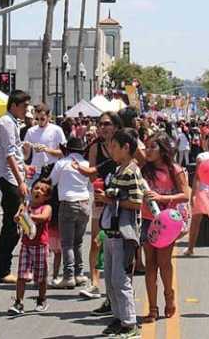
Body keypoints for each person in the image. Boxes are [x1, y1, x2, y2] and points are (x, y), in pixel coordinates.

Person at [97, 129, 143, 338]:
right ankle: (118, 317)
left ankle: (129, 322)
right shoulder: (118, 169)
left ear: (126, 148)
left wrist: (110, 200)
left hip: (124, 234)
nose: (111, 149)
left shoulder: (131, 171)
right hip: (111, 231)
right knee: (110, 279)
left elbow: (136, 202)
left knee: (121, 279)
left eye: (115, 146)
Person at [140, 133, 189, 323]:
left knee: (164, 262)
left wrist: (163, 199)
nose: (148, 151)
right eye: (147, 147)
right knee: (150, 264)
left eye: (153, 147)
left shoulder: (174, 169)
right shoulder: (144, 170)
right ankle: (152, 308)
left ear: (162, 149)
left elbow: (186, 195)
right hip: (147, 219)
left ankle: (169, 297)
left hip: (167, 222)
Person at [81, 111, 121, 302]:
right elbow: (91, 175)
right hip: (100, 198)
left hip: (120, 200)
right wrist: (96, 178)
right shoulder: (95, 147)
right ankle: (94, 282)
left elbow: (140, 160)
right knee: (97, 241)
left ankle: (115, 285)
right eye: (101, 124)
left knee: (118, 243)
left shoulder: (124, 143)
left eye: (107, 124)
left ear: (116, 126)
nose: (103, 127)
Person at [0, 90, 31, 284]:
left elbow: (15, 152)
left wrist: (25, 168)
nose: (26, 110)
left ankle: (3, 268)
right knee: (13, 223)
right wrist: (20, 180)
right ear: (14, 105)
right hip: (9, 178)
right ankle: (1, 270)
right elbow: (8, 155)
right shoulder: (6, 123)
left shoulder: (12, 122)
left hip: (14, 176)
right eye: (24, 106)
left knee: (16, 223)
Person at [49, 138, 90, 289]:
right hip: (84, 203)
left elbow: (51, 181)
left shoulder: (61, 163)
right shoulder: (86, 164)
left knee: (67, 243)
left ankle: (68, 276)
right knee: (78, 242)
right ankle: (79, 274)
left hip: (68, 203)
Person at [8, 180, 53, 315]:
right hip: (26, 245)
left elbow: (42, 218)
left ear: (46, 197)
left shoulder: (46, 208)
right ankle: (19, 302)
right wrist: (18, 217)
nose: (38, 191)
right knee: (21, 275)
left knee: (41, 276)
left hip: (40, 245)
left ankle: (41, 299)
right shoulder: (25, 206)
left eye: (42, 191)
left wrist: (26, 215)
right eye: (36, 188)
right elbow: (17, 218)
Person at [24, 104, 66, 186]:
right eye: (37, 119)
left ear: (49, 117)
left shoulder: (57, 130)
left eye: (42, 119)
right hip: (35, 171)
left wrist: (46, 149)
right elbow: (26, 156)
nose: (39, 121)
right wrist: (25, 148)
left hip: (52, 171)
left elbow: (63, 153)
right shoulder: (30, 131)